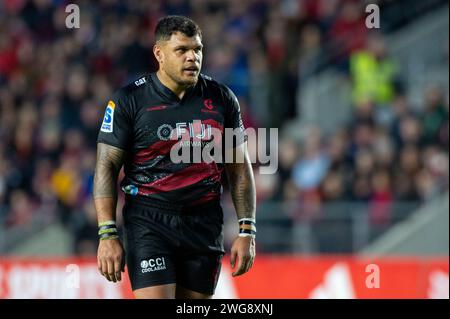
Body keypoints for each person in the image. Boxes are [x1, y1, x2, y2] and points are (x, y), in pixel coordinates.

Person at [93, 15, 256, 299]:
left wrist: (247, 230)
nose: (192, 57)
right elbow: (106, 165)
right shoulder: (129, 100)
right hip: (149, 221)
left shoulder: (222, 98)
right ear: (159, 54)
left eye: (198, 49)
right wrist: (107, 233)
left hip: (203, 223)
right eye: (182, 50)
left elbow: (239, 168)